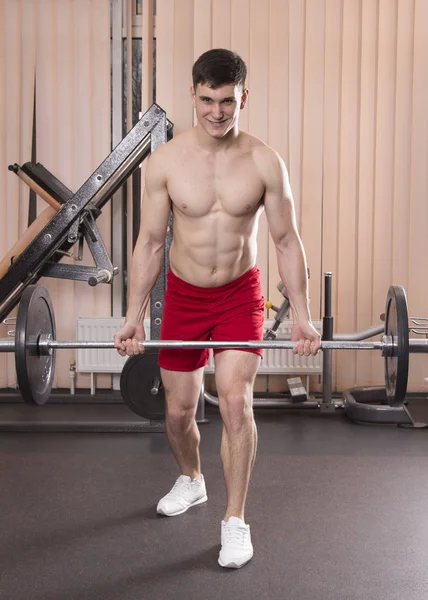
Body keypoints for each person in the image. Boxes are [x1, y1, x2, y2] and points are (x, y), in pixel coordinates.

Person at [114, 48, 321, 569]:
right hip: (183, 294)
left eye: (227, 101)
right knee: (180, 412)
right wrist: (134, 315)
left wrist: (302, 314)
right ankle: (192, 479)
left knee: (234, 403)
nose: (216, 112)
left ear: (243, 96)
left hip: (239, 294)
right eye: (207, 100)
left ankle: (235, 521)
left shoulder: (263, 161)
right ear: (193, 94)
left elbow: (286, 240)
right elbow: (149, 243)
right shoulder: (165, 163)